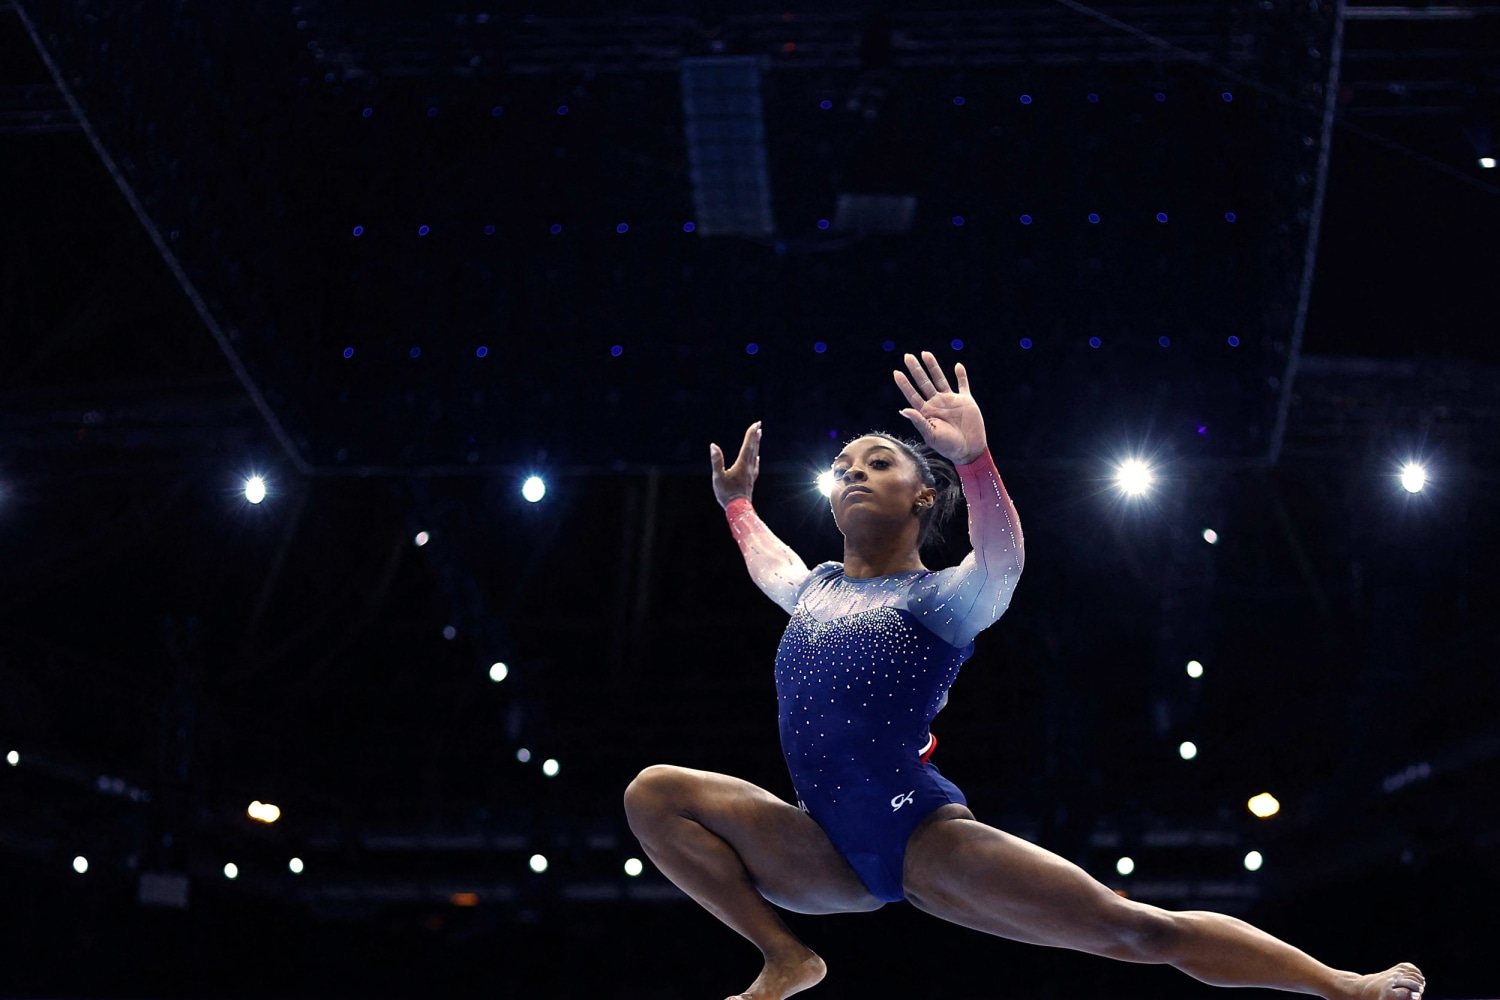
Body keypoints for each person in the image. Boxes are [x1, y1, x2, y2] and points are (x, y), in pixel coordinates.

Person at [624, 351, 1425, 1000]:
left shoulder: (940, 599)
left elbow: (1002, 561)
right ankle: (787, 959)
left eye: (878, 462)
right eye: (844, 466)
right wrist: (737, 505)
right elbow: (772, 563)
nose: (854, 471)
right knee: (655, 792)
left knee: (1136, 931)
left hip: (917, 836)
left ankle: (1343, 987)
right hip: (815, 847)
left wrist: (976, 462)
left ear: (922, 494)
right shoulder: (815, 587)